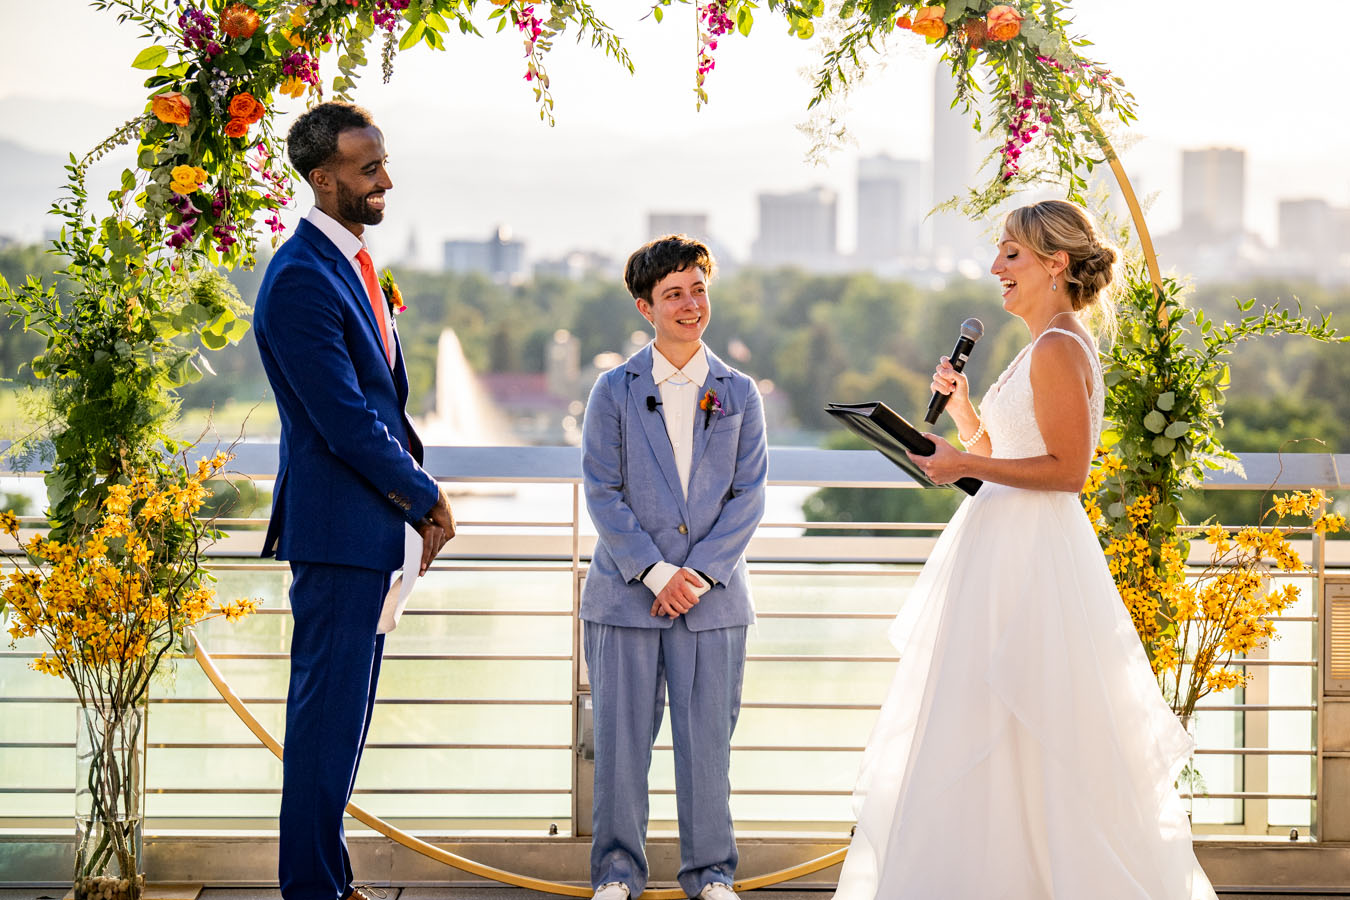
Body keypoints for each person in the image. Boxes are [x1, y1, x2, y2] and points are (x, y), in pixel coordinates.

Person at [833, 200, 1217, 899]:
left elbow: (1067, 471)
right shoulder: (1043, 345)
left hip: (1033, 557)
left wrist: (963, 466)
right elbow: (1008, 450)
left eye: (1010, 253)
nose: (995, 268)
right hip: (1002, 552)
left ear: (1055, 263)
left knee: (1030, 723)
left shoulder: (1061, 347)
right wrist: (964, 419)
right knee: (986, 726)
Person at [253, 102, 457, 900]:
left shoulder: (354, 266)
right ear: (322, 178)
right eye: (368, 169)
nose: (385, 180)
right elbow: (344, 418)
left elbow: (379, 396)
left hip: (368, 535)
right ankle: (311, 891)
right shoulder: (301, 278)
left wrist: (408, 508)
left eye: (382, 163)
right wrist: (425, 493)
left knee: (344, 727)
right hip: (339, 535)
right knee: (324, 728)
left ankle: (330, 881)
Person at [580, 235, 768, 900]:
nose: (690, 305)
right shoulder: (612, 390)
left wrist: (697, 577)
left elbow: (749, 497)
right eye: (673, 295)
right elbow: (601, 491)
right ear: (645, 307)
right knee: (621, 753)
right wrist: (658, 575)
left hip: (713, 605)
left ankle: (712, 875)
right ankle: (616, 875)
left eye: (698, 290)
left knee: (707, 750)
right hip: (624, 599)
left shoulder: (740, 392)